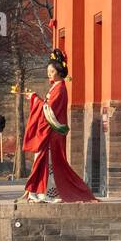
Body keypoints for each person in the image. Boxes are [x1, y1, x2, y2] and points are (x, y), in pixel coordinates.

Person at [21, 47, 96, 203]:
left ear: (59, 72)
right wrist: (35, 98)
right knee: (41, 160)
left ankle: (45, 192)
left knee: (48, 162)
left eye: (52, 71)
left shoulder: (60, 88)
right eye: (48, 71)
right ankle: (35, 191)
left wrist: (34, 98)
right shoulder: (55, 87)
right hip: (49, 131)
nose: (49, 74)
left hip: (52, 132)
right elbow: (47, 106)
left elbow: (49, 110)